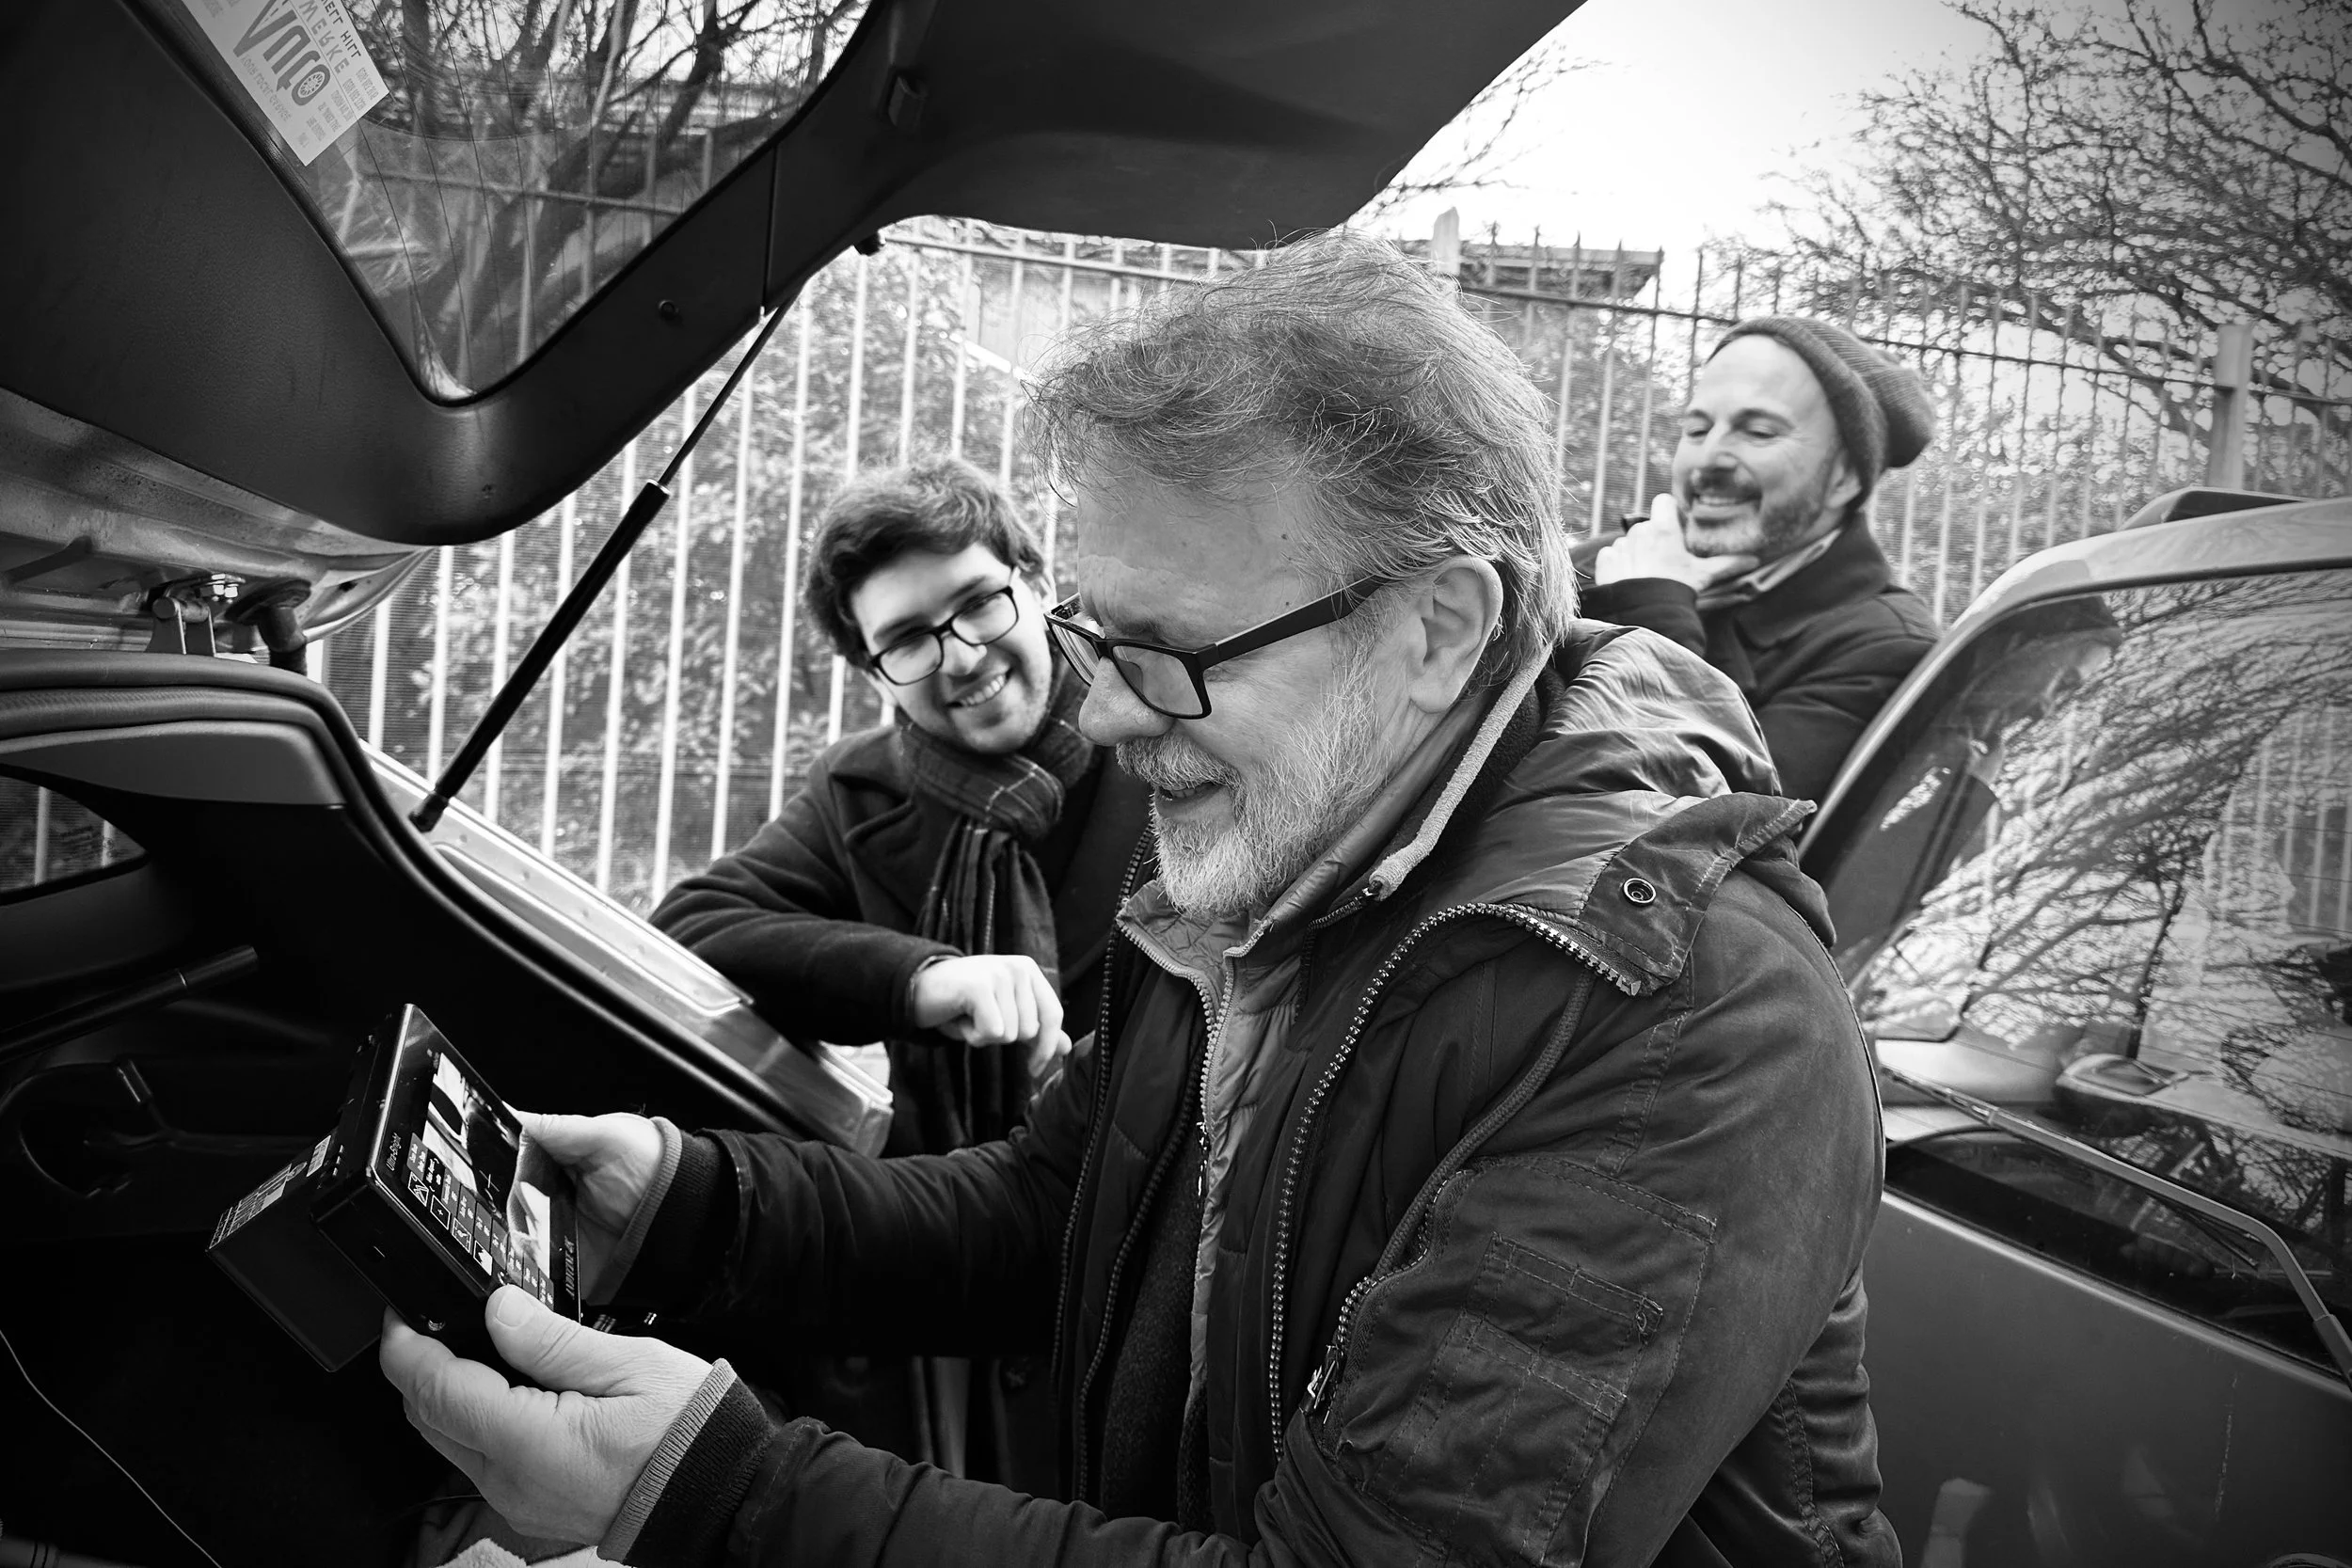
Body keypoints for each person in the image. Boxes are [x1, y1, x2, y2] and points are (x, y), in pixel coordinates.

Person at [380, 233, 1899, 1567]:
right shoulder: (1284, 870)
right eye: (1094, 636)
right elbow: (1055, 1208)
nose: (1098, 716)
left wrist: (719, 1498)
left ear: (1443, 626)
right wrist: (694, 1203)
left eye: (1166, 652)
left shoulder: (1679, 1021)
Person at [650, 457, 1150, 1491]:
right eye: (910, 641)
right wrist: (925, 978)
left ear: (1029, 576)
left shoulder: (1161, 725)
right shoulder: (860, 792)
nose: (961, 655)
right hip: (956, 1269)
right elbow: (697, 924)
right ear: (874, 675)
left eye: (977, 604)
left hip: (1145, 1250)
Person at [1580, 313, 1940, 803]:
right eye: (1696, 429)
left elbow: (1713, 826)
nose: (1709, 460)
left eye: (1759, 433)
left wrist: (1652, 607)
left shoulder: (1883, 651)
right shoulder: (1600, 563)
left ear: (1846, 478)